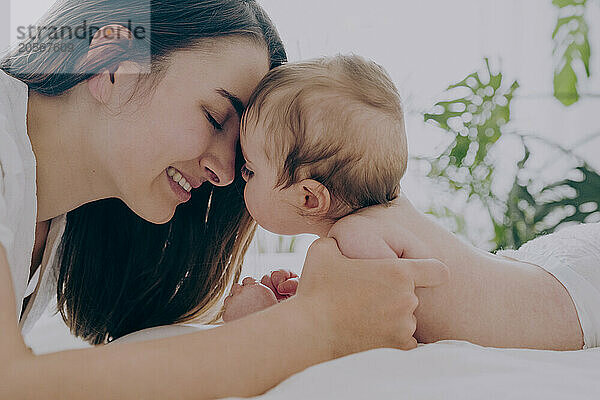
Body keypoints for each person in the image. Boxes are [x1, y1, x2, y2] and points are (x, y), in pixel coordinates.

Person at [0, 1, 450, 398]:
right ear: (113, 61)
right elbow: (12, 383)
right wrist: (319, 326)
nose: (227, 173)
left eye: (242, 155)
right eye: (216, 118)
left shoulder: (53, 222)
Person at [221, 54, 598, 352]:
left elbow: (347, 333)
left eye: (251, 170)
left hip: (572, 306)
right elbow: (353, 305)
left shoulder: (356, 238)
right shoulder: (388, 214)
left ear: (309, 196)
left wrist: (261, 315)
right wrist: (308, 294)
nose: (239, 175)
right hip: (553, 274)